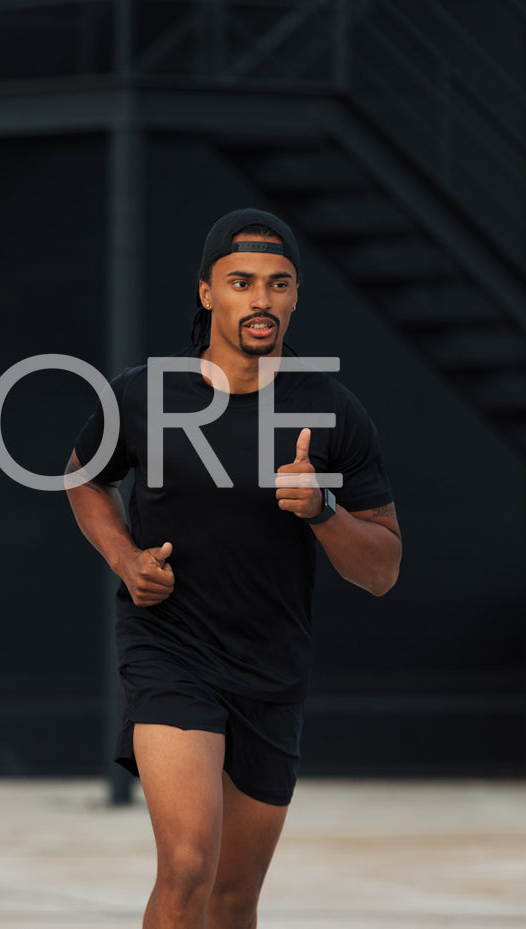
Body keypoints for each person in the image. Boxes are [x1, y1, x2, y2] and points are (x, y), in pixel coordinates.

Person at [64, 208, 402, 928]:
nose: (260, 299)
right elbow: (83, 478)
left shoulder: (330, 409)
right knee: (187, 865)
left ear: (295, 296)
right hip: (170, 647)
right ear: (206, 293)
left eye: (277, 284)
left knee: (232, 896)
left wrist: (321, 511)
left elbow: (381, 568)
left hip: (270, 662)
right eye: (241, 282)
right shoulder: (143, 393)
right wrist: (124, 557)